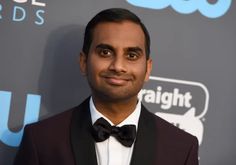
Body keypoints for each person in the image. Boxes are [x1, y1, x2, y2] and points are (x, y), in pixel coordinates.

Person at [14, 8, 199, 165]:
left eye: (132, 55)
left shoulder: (182, 148)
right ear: (83, 62)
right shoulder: (40, 140)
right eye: (105, 52)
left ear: (148, 68)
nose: (118, 66)